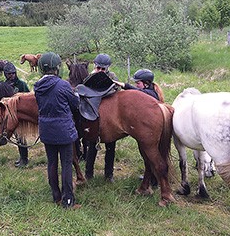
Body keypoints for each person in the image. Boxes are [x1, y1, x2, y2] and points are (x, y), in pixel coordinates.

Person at [34, 52, 81, 209]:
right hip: (64, 131)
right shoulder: (63, 85)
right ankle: (68, 200)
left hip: (46, 131)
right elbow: (75, 104)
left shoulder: (38, 86)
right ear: (57, 68)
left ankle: (56, 195)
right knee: (66, 164)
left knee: (52, 163)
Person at [113, 68, 164, 186]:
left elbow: (138, 93)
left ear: (146, 84)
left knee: (152, 152)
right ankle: (151, 177)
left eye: (138, 83)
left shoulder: (151, 94)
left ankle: (155, 179)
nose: (137, 85)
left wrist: (126, 85)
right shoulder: (151, 91)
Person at [85, 53, 119, 182]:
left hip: (110, 115)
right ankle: (88, 174)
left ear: (107, 68)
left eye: (103, 69)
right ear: (95, 66)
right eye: (98, 68)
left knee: (111, 146)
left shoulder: (112, 77)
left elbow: (116, 91)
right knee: (92, 145)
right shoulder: (90, 76)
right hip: (94, 113)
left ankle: (109, 174)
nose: (100, 71)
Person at [3, 62, 31, 167]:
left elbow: (29, 97)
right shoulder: (5, 85)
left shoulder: (21, 84)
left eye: (13, 73)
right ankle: (21, 157)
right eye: (9, 74)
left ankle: (24, 159)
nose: (11, 76)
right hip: (11, 115)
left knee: (21, 137)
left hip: (21, 115)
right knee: (16, 137)